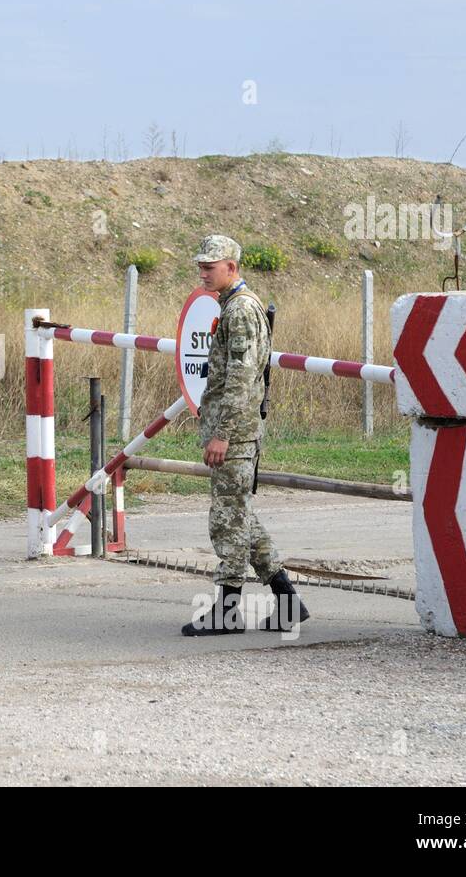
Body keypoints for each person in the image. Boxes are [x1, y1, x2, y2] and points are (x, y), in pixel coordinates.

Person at [183, 234, 309, 636]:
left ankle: (228, 611)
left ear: (232, 267)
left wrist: (221, 433)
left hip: (234, 433)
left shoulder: (240, 310)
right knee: (240, 517)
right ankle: (288, 603)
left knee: (228, 520)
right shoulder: (233, 306)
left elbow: (241, 380)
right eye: (201, 265)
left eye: (211, 265)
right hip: (232, 430)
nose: (204, 271)